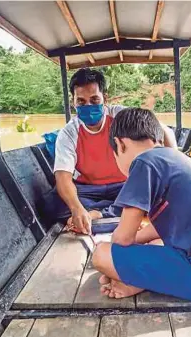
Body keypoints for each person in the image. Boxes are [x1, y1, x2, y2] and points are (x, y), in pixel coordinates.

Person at [92, 108, 191, 303]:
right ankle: (137, 281)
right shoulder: (174, 159)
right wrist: (135, 249)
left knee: (101, 255)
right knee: (154, 243)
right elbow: (160, 227)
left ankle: (133, 279)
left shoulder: (144, 162)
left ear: (119, 143)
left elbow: (123, 239)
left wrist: (113, 264)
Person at [39, 68, 177, 234]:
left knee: (155, 192)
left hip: (124, 184)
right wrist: (76, 208)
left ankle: (100, 214)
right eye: (81, 102)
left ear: (105, 98)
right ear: (73, 102)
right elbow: (63, 177)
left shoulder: (120, 115)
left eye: (94, 99)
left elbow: (163, 130)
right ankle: (118, 211)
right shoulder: (69, 133)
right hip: (87, 189)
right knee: (50, 204)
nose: (88, 106)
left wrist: (174, 166)